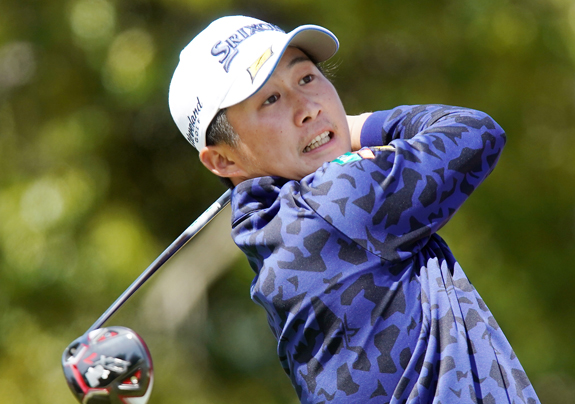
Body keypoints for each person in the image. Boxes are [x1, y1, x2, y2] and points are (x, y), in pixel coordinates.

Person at [168, 15, 540, 404]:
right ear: (224, 161)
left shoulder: (270, 236)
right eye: (270, 100)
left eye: (306, 78)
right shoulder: (336, 201)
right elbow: (475, 131)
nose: (308, 108)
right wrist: (358, 125)